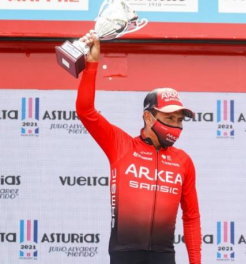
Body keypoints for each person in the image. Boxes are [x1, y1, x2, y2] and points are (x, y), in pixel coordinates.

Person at [75, 31, 202, 264]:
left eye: (179, 120)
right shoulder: (120, 145)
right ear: (149, 117)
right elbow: (86, 111)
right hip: (125, 255)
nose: (176, 126)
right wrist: (92, 64)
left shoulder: (183, 161)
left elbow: (192, 217)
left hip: (164, 256)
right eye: (169, 118)